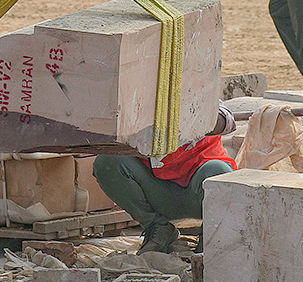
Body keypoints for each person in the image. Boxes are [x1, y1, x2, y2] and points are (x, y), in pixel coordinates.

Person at [92, 107, 236, 253]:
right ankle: (159, 228)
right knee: (108, 162)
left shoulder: (198, 90)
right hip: (159, 192)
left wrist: (198, 116)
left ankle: (211, 237)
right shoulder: (137, 100)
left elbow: (227, 122)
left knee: (218, 171)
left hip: (199, 191)